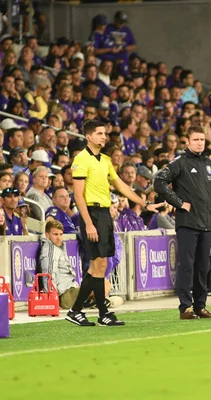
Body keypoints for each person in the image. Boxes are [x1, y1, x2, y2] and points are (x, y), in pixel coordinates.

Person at [65, 120, 162, 327]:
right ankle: (101, 313)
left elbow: (119, 185)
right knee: (99, 264)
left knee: (99, 265)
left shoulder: (106, 160)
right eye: (99, 133)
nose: (103, 137)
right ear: (88, 137)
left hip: (104, 213)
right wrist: (89, 223)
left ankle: (78, 311)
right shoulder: (81, 159)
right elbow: (78, 195)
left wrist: (143, 203)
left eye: (104, 133)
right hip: (92, 213)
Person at [154, 125, 211, 320]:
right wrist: (178, 203)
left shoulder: (209, 164)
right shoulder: (180, 163)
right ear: (188, 141)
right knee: (186, 266)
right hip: (187, 223)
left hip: (206, 223)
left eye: (202, 139)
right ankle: (185, 308)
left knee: (203, 266)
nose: (200, 142)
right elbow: (159, 181)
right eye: (196, 139)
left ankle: (200, 306)